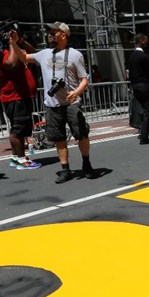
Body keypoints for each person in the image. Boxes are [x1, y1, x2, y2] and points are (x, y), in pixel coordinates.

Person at [22, 22, 98, 181]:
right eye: (49, 32)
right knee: (59, 138)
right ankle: (65, 169)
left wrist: (76, 92)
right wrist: (14, 43)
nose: (49, 35)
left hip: (71, 103)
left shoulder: (75, 55)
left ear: (63, 35)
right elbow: (23, 57)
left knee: (81, 134)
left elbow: (84, 80)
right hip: (52, 105)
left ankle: (86, 163)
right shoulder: (44, 54)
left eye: (53, 32)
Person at [0, 27, 41, 170]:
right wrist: (12, 44)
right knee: (18, 129)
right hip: (15, 97)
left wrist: (19, 41)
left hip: (23, 96)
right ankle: (22, 160)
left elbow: (34, 54)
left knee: (19, 128)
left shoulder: (16, 49)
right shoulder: (2, 54)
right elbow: (12, 65)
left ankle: (16, 157)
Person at [127, 33, 149, 144]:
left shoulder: (131, 56)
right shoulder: (145, 57)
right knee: (147, 112)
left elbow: (130, 74)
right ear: (141, 41)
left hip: (135, 87)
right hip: (145, 86)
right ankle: (144, 137)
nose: (147, 42)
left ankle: (142, 132)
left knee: (140, 110)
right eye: (146, 40)